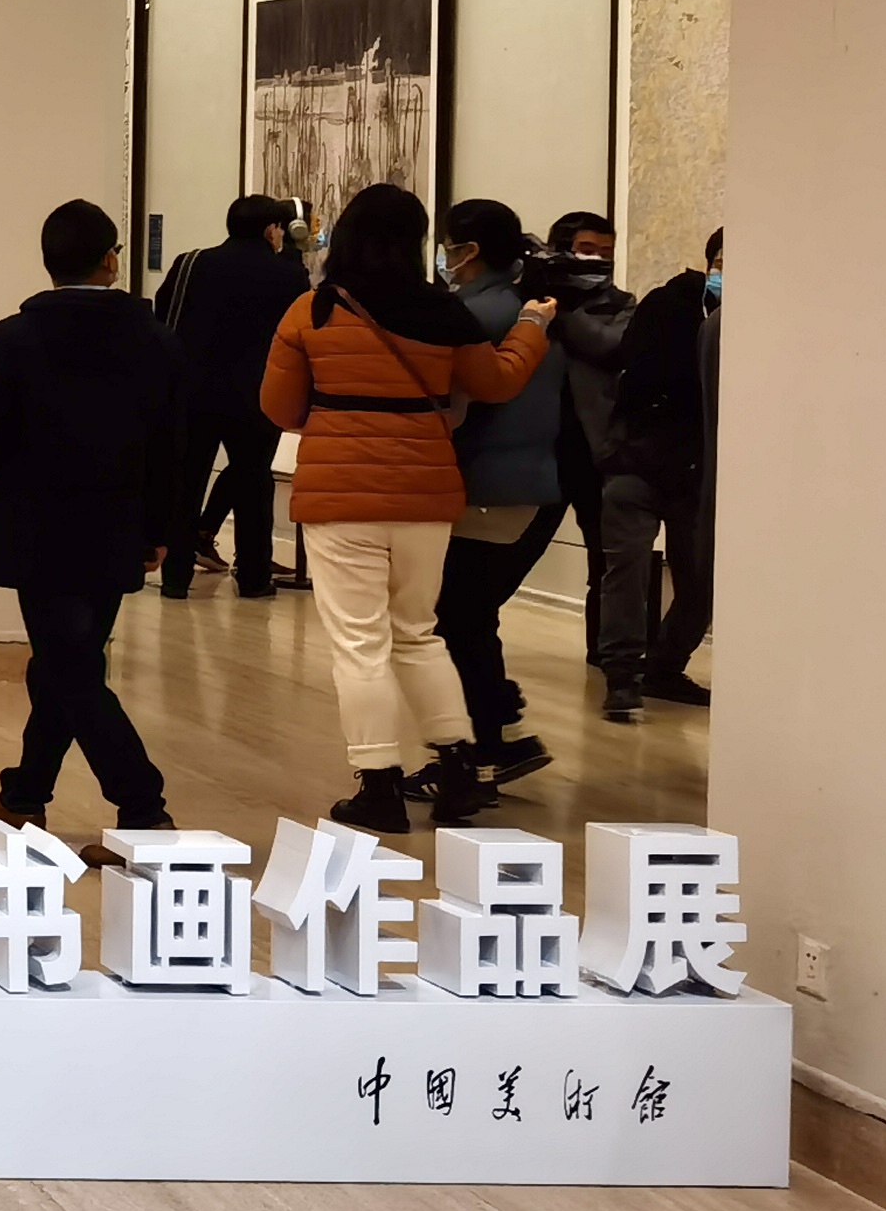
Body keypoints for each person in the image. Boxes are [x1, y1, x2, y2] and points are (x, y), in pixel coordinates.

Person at [261, 183, 555, 832]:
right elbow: (498, 381)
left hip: (340, 494)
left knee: (360, 645)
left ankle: (378, 787)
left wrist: (340, 417)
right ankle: (459, 770)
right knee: (418, 634)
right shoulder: (443, 312)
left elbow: (279, 408)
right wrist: (531, 328)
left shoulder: (312, 311)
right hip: (425, 493)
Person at [0, 201, 184, 859]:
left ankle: (145, 809)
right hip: (117, 526)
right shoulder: (152, 338)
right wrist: (161, 527)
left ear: (48, 263)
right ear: (111, 261)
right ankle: (24, 796)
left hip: (37, 528)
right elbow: (170, 443)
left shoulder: (16, 337)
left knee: (70, 669)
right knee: (67, 664)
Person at [426, 200, 564, 794]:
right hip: (521, 484)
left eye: (449, 246)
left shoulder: (477, 315)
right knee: (469, 616)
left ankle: (481, 750)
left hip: (488, 486)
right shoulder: (523, 309)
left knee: (460, 620)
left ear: (469, 251)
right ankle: (489, 733)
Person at [150, 194, 310, 599]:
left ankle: (175, 578)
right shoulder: (288, 276)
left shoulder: (190, 263)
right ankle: (254, 576)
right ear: (272, 230)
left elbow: (163, 316)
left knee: (186, 483)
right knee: (254, 482)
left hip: (193, 392)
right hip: (256, 396)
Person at [598, 227, 721, 717]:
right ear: (710, 261)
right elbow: (639, 371)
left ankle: (665, 667)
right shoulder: (670, 305)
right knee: (627, 572)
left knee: (701, 579)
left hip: (698, 473)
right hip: (640, 462)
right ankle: (622, 677)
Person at [532, 211, 636, 677]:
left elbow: (610, 345)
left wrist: (564, 313)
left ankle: (605, 653)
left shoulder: (621, 304)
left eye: (606, 253)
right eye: (587, 251)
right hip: (539, 450)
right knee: (516, 549)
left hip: (596, 449)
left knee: (604, 559)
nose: (597, 261)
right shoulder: (528, 300)